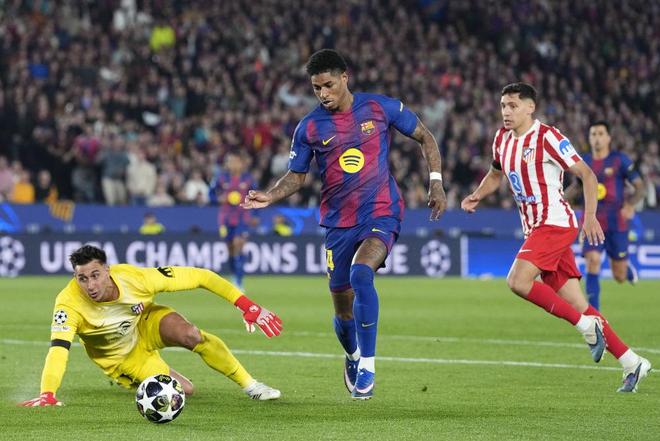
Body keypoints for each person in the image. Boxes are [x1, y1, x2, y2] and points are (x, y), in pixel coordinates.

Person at [242, 49, 447, 399]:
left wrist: (436, 182)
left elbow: (425, 136)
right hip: (338, 222)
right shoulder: (309, 127)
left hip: (382, 211)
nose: (323, 94)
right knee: (342, 308)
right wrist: (271, 195)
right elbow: (297, 176)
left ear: (344, 78)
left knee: (361, 273)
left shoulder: (380, 107)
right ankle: (352, 355)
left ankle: (368, 364)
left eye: (328, 85)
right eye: (316, 88)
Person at [461, 82, 651, 393]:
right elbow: (495, 174)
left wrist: (590, 216)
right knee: (578, 303)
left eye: (513, 105)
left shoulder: (548, 137)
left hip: (555, 223)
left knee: (517, 280)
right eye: (503, 105)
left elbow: (587, 174)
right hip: (536, 228)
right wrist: (477, 195)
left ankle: (585, 326)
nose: (506, 111)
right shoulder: (501, 140)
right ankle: (632, 362)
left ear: (530, 107)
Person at [20, 245, 282, 407]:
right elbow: (58, 350)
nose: (90, 285)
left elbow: (202, 276)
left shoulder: (136, 279)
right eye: (82, 278)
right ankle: (133, 379)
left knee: (191, 334)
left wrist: (246, 305)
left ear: (108, 270)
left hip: (143, 323)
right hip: (121, 356)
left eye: (95, 275)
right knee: (184, 391)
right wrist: (48, 393)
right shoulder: (68, 304)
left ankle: (252, 386)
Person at [564, 121, 645, 309]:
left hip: (617, 222)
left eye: (601, 134)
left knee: (619, 276)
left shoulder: (619, 160)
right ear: (589, 138)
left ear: (608, 138)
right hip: (592, 220)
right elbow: (576, 187)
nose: (597, 138)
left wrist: (630, 204)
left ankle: (626, 271)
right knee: (592, 261)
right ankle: (595, 315)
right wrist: (559, 200)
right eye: (593, 134)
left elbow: (640, 187)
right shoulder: (584, 161)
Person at [209, 151, 256, 291]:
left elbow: (257, 196)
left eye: (235, 161)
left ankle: (239, 281)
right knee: (230, 248)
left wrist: (256, 215)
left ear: (241, 164)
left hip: (243, 217)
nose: (232, 164)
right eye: (230, 162)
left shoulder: (248, 179)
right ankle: (235, 275)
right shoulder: (221, 178)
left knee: (238, 243)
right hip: (225, 219)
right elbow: (211, 193)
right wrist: (217, 199)